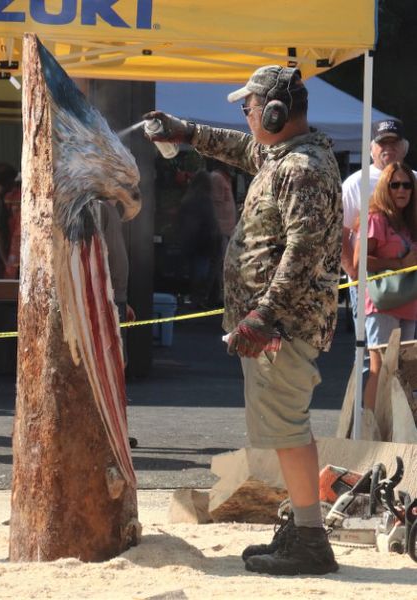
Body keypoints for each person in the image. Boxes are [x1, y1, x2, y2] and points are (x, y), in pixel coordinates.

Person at [144, 65, 342, 576]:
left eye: (250, 108)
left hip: (283, 325)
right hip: (278, 322)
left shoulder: (302, 167)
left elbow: (304, 250)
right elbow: (237, 148)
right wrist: (185, 131)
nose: (245, 115)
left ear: (275, 112)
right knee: (283, 427)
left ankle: (310, 542)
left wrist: (265, 313)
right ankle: (303, 529)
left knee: (288, 428)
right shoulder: (283, 156)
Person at [353, 162, 417, 411]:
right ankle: (372, 425)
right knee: (381, 368)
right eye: (395, 185)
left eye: (407, 185)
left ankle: (395, 427)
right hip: (383, 304)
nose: (402, 190)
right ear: (385, 188)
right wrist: (400, 261)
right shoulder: (375, 218)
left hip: (410, 303)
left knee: (404, 370)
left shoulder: (410, 222)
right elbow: (360, 262)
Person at [342, 119, 411, 322]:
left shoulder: (413, 180)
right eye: (382, 143)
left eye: (394, 143)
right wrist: (354, 274)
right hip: (369, 282)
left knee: (407, 349)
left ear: (404, 147)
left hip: (410, 280)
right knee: (370, 349)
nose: (388, 148)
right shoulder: (356, 183)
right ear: (371, 148)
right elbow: (340, 234)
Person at [98, 197, 137, 448]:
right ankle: (109, 430)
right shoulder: (100, 207)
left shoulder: (109, 209)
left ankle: (117, 428)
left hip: (116, 298)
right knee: (110, 365)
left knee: (117, 365)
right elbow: (97, 258)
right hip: (108, 299)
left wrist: (123, 300)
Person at [177, 170, 221, 308]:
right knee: (202, 273)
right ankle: (199, 299)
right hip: (204, 243)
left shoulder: (188, 198)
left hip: (192, 243)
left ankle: (196, 298)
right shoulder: (204, 200)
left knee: (196, 272)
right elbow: (210, 222)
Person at [209, 161, 237, 305]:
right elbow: (215, 204)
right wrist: (216, 229)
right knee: (220, 264)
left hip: (228, 230)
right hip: (220, 230)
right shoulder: (216, 178)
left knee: (223, 264)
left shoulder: (226, 179)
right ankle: (216, 296)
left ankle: (219, 295)